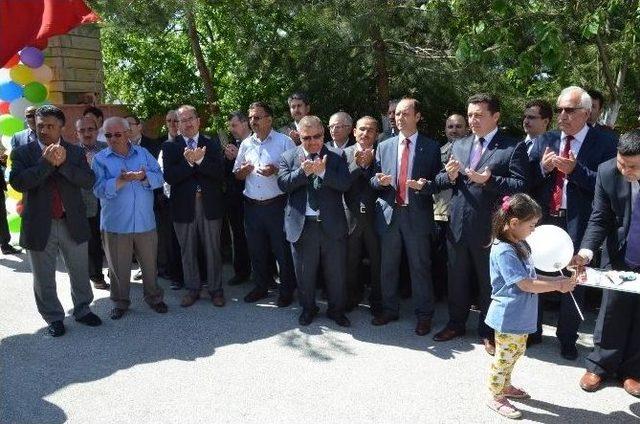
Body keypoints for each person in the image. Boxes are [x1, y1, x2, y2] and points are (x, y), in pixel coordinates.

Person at [433, 93, 528, 356]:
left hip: (490, 227)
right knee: (457, 278)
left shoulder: (512, 147)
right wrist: (449, 176)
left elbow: (521, 186)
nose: (472, 120)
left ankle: (488, 332)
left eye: (479, 115)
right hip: (458, 224)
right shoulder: (460, 144)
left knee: (489, 282)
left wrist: (490, 180)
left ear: (495, 117)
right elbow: (443, 180)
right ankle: (455, 323)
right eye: (470, 114)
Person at [528, 86, 618, 360]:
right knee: (537, 271)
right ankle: (532, 330)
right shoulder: (547, 139)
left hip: (579, 219)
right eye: (559, 110)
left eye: (569, 110)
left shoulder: (604, 142)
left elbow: (608, 187)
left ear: (586, 113)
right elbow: (527, 180)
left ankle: (567, 336)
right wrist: (543, 169)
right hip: (545, 218)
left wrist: (575, 171)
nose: (562, 116)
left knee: (573, 276)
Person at [9, 105, 102, 337]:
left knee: (80, 271)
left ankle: (82, 310)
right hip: (40, 224)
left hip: (72, 221)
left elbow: (88, 180)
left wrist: (62, 165)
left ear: (61, 126)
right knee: (43, 277)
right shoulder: (23, 153)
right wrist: (47, 163)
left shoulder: (75, 152)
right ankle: (53, 317)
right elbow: (19, 183)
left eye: (50, 126)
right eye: (40, 125)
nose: (44, 130)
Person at [485, 193, 576, 419]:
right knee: (504, 358)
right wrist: (558, 286)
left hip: (521, 315)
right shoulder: (504, 250)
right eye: (532, 225)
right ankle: (495, 396)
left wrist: (559, 280)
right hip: (508, 316)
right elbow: (525, 284)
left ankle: (505, 386)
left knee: (516, 353)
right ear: (514, 223)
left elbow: (532, 276)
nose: (534, 230)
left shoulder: (520, 243)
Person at [573, 130, 640, 397]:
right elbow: (600, 217)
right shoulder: (607, 172)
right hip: (621, 251)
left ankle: (634, 370)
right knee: (612, 308)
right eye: (622, 163)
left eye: (633, 166)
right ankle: (600, 365)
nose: (625, 171)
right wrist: (586, 253)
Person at [370, 98, 442, 336]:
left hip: (417, 215)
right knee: (387, 267)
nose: (399, 118)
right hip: (390, 215)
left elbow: (439, 182)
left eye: (405, 114)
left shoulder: (431, 147)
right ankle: (389, 310)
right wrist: (378, 182)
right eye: (397, 114)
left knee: (420, 267)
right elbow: (373, 179)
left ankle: (424, 316)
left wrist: (425, 186)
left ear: (418, 116)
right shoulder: (384, 145)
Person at [278, 115, 351, 327]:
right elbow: (283, 184)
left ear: (323, 134)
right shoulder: (288, 156)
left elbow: (345, 184)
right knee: (304, 274)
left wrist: (323, 172)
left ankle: (337, 311)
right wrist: (303, 172)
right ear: (299, 136)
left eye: (316, 136)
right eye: (306, 137)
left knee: (336, 273)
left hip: (331, 225)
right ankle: (308, 309)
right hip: (302, 226)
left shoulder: (337, 156)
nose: (312, 142)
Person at [92, 117, 168, 320]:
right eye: (108, 135)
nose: (113, 139)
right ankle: (120, 302)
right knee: (118, 267)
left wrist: (144, 177)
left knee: (150, 264)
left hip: (145, 221)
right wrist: (118, 181)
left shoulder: (143, 153)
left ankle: (154, 297)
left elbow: (160, 177)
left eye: (117, 134)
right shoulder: (100, 159)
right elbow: (97, 189)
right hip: (116, 223)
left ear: (127, 134)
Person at [162, 105, 226, 308]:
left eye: (191, 118)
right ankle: (193, 289)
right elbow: (170, 177)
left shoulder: (212, 143)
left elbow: (219, 173)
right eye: (182, 120)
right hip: (183, 206)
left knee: (213, 249)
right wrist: (189, 164)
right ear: (177, 125)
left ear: (198, 121)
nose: (187, 123)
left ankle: (216, 290)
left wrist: (200, 160)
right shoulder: (170, 147)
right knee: (187, 249)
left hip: (209, 204)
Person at [234, 102, 297, 306]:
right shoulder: (246, 144)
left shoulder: (285, 142)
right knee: (257, 249)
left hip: (276, 205)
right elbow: (236, 173)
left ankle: (286, 291)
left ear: (269, 119)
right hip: (252, 206)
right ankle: (261, 287)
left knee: (282, 251)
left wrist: (276, 170)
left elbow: (296, 173)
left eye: (257, 117)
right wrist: (243, 171)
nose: (253, 121)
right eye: (251, 118)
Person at [343, 116, 382, 315]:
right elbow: (341, 183)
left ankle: (377, 300)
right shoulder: (343, 154)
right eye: (362, 129)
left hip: (376, 217)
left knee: (378, 261)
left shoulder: (382, 153)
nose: (365, 134)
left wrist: (371, 165)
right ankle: (352, 296)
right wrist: (358, 166)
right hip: (351, 217)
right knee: (351, 261)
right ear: (354, 132)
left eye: (370, 130)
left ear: (376, 134)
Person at [431, 114, 468, 300]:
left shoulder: (473, 149)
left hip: (465, 211)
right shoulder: (438, 151)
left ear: (466, 129)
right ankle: (440, 293)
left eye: (459, 126)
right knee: (440, 254)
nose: (454, 130)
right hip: (441, 210)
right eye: (450, 127)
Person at [76, 117, 109, 290]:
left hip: (109, 203)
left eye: (91, 129)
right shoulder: (71, 152)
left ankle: (116, 273)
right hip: (87, 204)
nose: (87, 133)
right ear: (77, 133)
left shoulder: (107, 149)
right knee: (93, 242)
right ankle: (96, 276)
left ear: (97, 131)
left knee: (112, 240)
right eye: (82, 130)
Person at [224, 111, 251, 286]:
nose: (231, 129)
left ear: (244, 123)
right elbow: (226, 175)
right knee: (239, 237)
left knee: (260, 237)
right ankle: (241, 272)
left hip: (257, 198)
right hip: (235, 200)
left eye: (234, 125)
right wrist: (227, 159)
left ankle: (267, 274)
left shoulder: (258, 141)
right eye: (230, 126)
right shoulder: (230, 145)